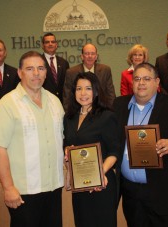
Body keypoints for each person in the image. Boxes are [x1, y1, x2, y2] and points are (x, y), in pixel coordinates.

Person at [113, 63, 168, 227]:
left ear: (157, 82)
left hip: (164, 193)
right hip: (131, 194)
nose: (141, 83)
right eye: (137, 79)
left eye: (147, 79)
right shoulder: (118, 105)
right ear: (131, 83)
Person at [0, 51, 64, 227]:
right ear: (20, 73)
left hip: (53, 186)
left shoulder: (55, 102)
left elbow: (60, 140)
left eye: (40, 68)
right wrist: (8, 188)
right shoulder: (6, 105)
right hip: (23, 192)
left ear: (46, 72)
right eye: (30, 69)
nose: (36, 73)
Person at [64, 72, 120, 227]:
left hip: (102, 184)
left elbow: (115, 150)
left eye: (88, 88)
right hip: (80, 186)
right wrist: (67, 150)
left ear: (96, 91)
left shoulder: (106, 116)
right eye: (78, 89)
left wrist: (100, 173)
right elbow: (67, 144)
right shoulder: (69, 118)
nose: (83, 93)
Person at [63, 43, 116, 111]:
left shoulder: (105, 70)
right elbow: (67, 97)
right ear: (82, 56)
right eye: (87, 53)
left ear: (96, 56)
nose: (90, 56)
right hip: (79, 111)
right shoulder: (71, 72)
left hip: (101, 110)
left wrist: (110, 111)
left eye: (92, 53)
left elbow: (110, 94)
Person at [41, 32, 70, 103]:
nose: (50, 44)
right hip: (44, 102)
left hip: (61, 103)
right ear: (42, 45)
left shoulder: (64, 63)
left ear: (56, 45)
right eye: (47, 42)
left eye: (53, 42)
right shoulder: (38, 62)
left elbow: (67, 86)